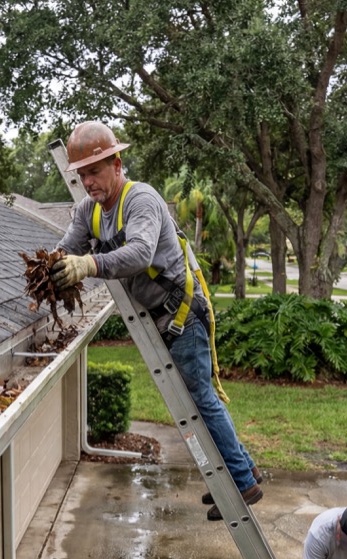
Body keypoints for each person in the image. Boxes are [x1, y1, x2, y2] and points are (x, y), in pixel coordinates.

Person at [49, 121, 261, 520]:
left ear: (117, 163)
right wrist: (49, 271)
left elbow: (141, 254)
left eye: (95, 171)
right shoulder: (87, 212)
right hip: (160, 320)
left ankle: (241, 482)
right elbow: (65, 251)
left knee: (201, 399)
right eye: (82, 174)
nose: (88, 181)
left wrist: (89, 264)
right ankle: (244, 468)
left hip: (183, 316)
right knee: (199, 400)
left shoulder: (141, 199)